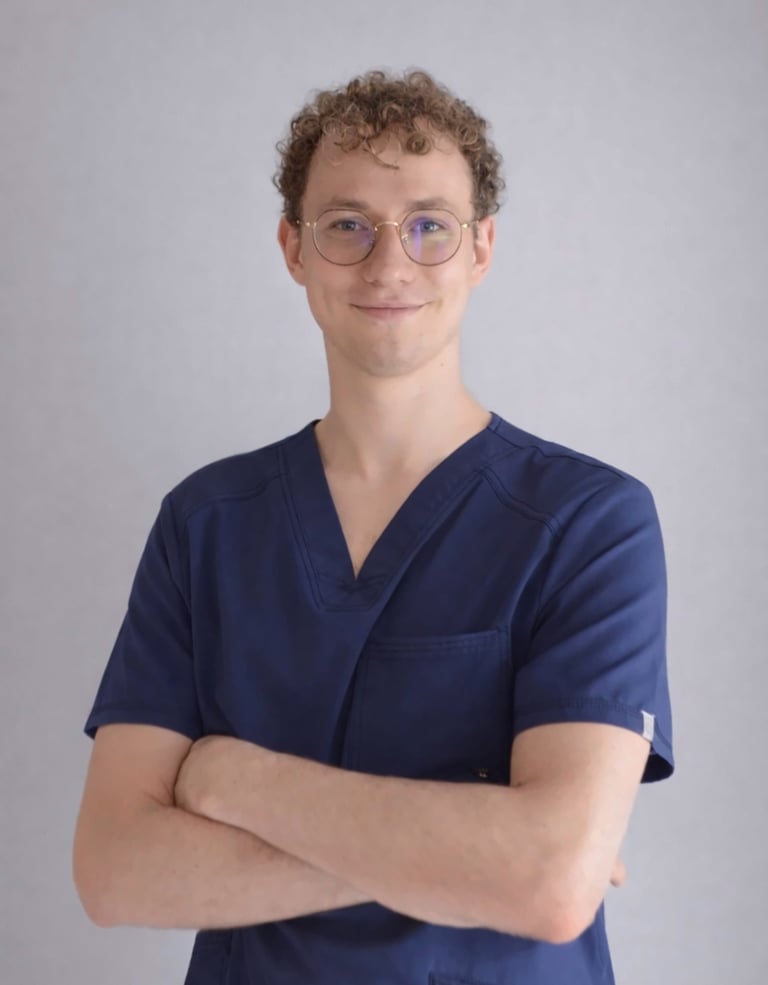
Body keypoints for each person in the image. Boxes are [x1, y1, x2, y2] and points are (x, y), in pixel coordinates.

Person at [73, 69, 673, 985]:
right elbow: (115, 871)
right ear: (294, 248)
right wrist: (476, 859)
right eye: (347, 225)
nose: (390, 264)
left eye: (430, 226)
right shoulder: (205, 524)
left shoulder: (591, 522)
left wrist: (236, 781)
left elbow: (550, 886)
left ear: (481, 248)